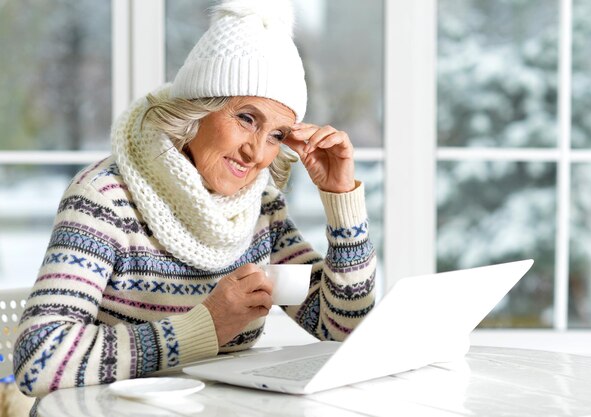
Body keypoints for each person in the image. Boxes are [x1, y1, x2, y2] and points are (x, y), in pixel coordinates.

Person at [12, 0, 376, 404]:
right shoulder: (105, 199)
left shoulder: (260, 208)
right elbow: (38, 360)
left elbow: (342, 328)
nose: (256, 152)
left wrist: (342, 201)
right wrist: (204, 326)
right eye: (246, 118)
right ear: (197, 109)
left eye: (276, 135)